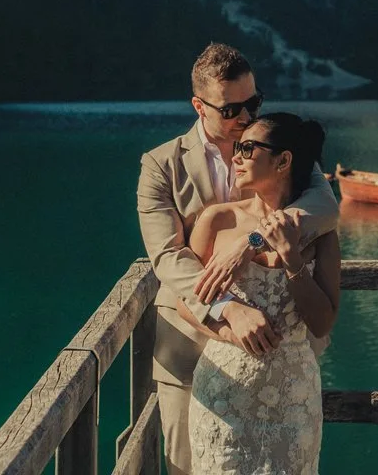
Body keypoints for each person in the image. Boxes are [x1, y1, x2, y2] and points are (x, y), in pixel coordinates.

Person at [136, 43, 339, 475]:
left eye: (254, 102)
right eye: (232, 109)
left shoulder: (279, 145)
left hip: (282, 371)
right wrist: (227, 309)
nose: (245, 117)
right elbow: (170, 258)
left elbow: (327, 210)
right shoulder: (160, 166)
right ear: (199, 105)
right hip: (193, 351)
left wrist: (247, 243)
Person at [180, 112, 340, 475]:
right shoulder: (218, 220)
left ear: (283, 161)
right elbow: (185, 302)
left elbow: (322, 322)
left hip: (293, 400)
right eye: (237, 147)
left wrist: (291, 260)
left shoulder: (321, 231)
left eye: (247, 149)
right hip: (224, 394)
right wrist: (230, 330)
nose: (234, 156)